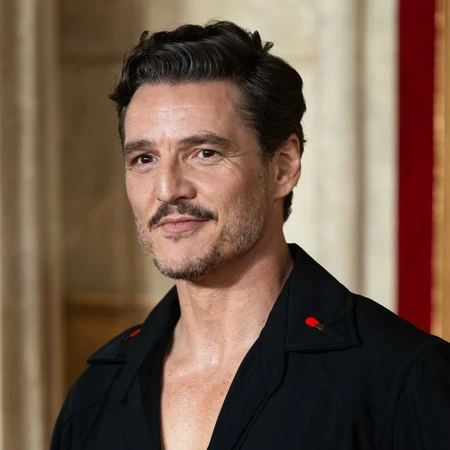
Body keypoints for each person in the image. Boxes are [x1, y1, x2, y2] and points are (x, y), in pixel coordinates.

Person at [51, 20, 450, 450]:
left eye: (204, 153)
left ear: (283, 167)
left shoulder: (400, 379)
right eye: (144, 159)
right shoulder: (96, 393)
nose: (167, 189)